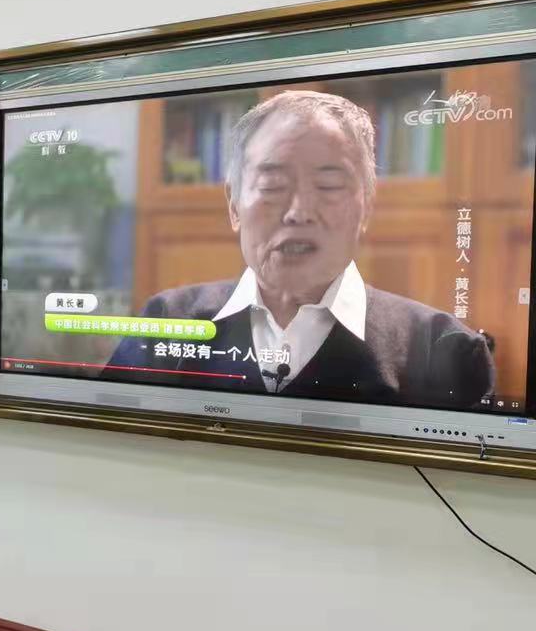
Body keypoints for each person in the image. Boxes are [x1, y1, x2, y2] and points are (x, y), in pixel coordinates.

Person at [108, 91, 494, 407]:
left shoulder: (445, 350)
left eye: (328, 187)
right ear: (234, 205)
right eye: (272, 186)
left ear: (367, 206)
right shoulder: (166, 323)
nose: (299, 212)